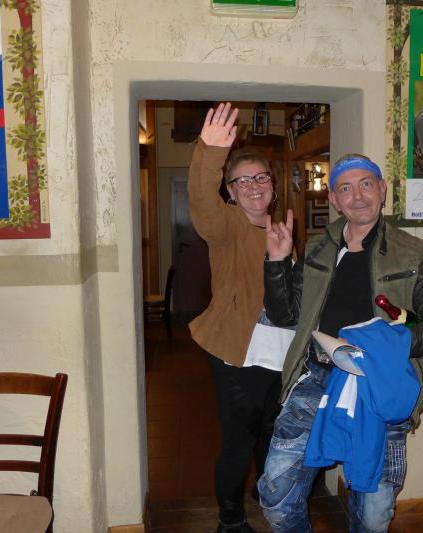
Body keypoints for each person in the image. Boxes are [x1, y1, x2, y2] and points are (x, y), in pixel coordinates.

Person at [259, 153, 423, 532]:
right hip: (317, 380)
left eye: (366, 184)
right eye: (346, 189)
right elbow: (286, 315)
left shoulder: (413, 252)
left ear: (382, 190)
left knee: (373, 516)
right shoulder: (318, 249)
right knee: (276, 497)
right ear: (334, 199)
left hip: (378, 385)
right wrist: (277, 261)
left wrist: (383, 346)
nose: (358, 196)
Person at [188, 102, 287, 533]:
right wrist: (210, 151)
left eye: (260, 177)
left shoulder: (281, 229)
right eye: (241, 180)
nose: (252, 186)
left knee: (270, 430)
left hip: (279, 352)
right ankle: (230, 519)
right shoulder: (226, 225)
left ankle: (263, 492)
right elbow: (200, 201)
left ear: (272, 185)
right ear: (229, 191)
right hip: (237, 352)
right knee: (239, 441)